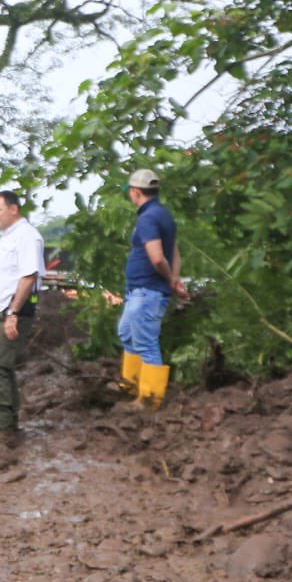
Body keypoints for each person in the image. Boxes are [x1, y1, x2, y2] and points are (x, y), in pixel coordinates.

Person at [0, 190, 46, 445]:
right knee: (1, 368)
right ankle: (9, 422)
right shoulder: (9, 237)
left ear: (13, 209)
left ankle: (3, 429)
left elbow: (29, 276)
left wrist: (13, 312)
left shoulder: (27, 236)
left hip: (10, 311)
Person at [118, 168, 189, 408]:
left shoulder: (148, 218)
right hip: (140, 290)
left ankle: (149, 401)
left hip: (146, 291)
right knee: (127, 333)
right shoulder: (162, 215)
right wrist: (175, 279)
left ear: (135, 192)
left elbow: (159, 258)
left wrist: (169, 279)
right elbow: (175, 252)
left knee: (146, 344)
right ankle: (132, 388)